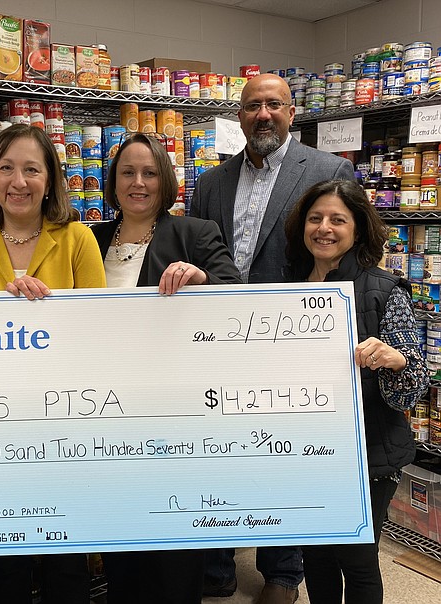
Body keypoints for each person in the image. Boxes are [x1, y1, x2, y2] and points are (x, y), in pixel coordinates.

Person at [190, 72, 355, 604]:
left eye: (274, 105)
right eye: (252, 106)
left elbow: (347, 254)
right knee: (217, 450)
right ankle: (216, 568)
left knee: (279, 455)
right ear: (239, 115)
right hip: (218, 340)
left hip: (289, 340)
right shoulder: (212, 182)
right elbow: (196, 253)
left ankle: (283, 571)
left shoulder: (328, 170)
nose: (263, 115)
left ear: (291, 112)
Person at [0, 123, 105, 604]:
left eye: (31, 169)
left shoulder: (78, 237)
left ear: (50, 178)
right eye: (6, 168)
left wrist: (47, 311)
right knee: (5, 560)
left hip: (63, 417)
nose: (19, 181)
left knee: (67, 558)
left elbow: (98, 331)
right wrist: (3, 309)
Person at [90, 132, 241, 604]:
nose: (138, 182)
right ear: (112, 182)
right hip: (107, 417)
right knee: (121, 549)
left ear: (166, 180)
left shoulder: (193, 234)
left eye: (149, 172)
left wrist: (203, 279)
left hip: (174, 417)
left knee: (174, 555)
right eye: (127, 172)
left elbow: (238, 298)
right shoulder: (87, 238)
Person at [284, 179, 428, 604]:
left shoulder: (383, 289)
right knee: (316, 558)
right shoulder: (285, 287)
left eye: (337, 219)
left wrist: (395, 359)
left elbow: (412, 388)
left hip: (368, 453)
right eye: (315, 218)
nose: (324, 228)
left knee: (358, 559)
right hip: (306, 450)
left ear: (359, 229)